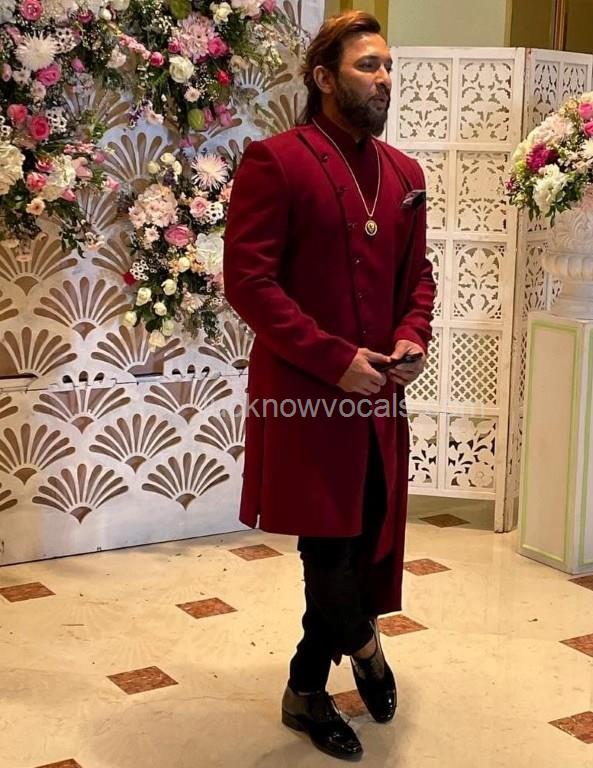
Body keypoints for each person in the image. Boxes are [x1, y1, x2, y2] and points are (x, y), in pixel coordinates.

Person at [223, 10, 435, 761]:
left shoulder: (405, 174)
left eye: (388, 66)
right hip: (307, 393)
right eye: (367, 66)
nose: (383, 79)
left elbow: (418, 278)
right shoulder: (274, 162)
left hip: (379, 393)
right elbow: (249, 283)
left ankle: (306, 688)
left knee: (366, 535)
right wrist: (332, 358)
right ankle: (362, 647)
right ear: (322, 77)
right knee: (329, 546)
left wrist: (412, 336)